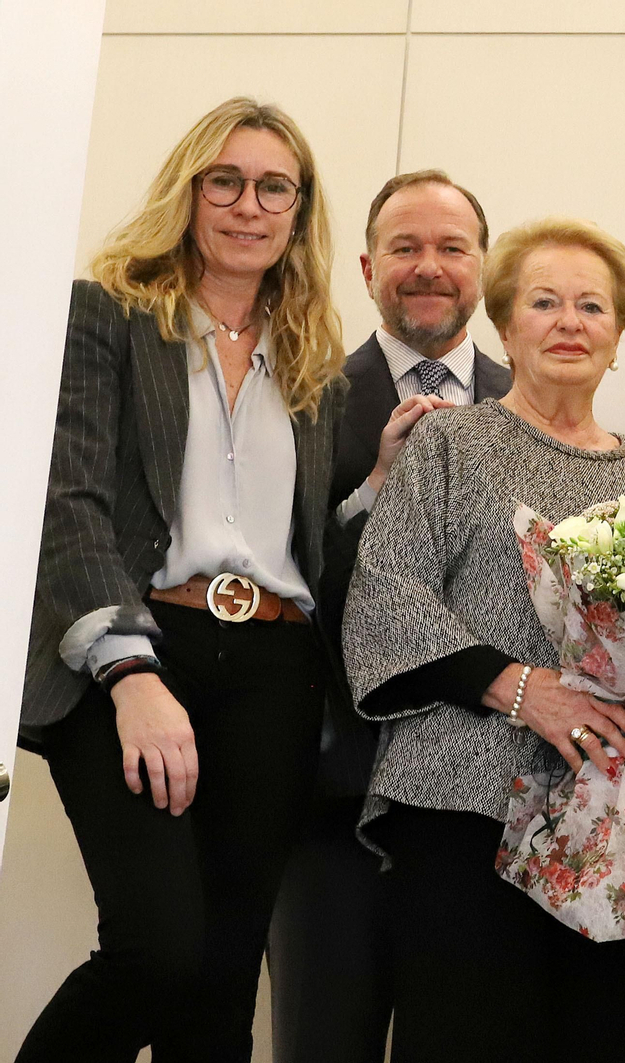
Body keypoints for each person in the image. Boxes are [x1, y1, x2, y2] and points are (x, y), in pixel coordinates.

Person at [341, 215, 625, 1062]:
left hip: (622, 821)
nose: (570, 322)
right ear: (505, 326)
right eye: (544, 302)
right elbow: (386, 595)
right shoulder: (450, 445)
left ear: (618, 336)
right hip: (466, 815)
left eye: (592, 307)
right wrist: (525, 687)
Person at [18, 96, 344, 1062]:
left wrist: (378, 487)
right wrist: (130, 673)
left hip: (277, 670)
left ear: (299, 209)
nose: (250, 205)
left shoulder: (311, 351)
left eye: (274, 186)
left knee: (223, 977)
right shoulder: (108, 315)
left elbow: (302, 538)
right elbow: (65, 500)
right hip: (141, 653)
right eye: (226, 181)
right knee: (158, 952)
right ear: (189, 192)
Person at [266, 169, 509, 1063]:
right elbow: (272, 584)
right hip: (335, 796)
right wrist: (372, 488)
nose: (428, 267)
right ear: (369, 266)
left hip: (494, 805)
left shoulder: (537, 402)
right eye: (405, 247)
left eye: (451, 247)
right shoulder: (298, 394)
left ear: (483, 268)